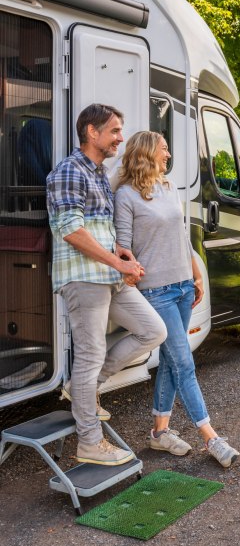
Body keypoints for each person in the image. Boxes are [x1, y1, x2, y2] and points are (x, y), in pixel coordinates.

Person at [46, 104, 167, 466]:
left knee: (152, 331)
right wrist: (117, 262)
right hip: (84, 279)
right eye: (114, 131)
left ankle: (83, 389)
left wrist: (121, 255)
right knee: (89, 355)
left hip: (108, 276)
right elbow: (71, 230)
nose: (120, 138)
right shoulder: (69, 171)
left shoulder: (98, 173)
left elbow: (99, 228)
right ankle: (89, 443)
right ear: (91, 132)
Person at [114, 131, 239, 468]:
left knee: (171, 361)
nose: (168, 156)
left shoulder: (168, 188)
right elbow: (123, 248)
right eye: (164, 150)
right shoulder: (126, 195)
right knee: (184, 364)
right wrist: (133, 276)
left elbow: (181, 237)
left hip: (183, 286)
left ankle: (159, 433)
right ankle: (211, 437)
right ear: (145, 154)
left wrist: (196, 274)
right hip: (156, 291)